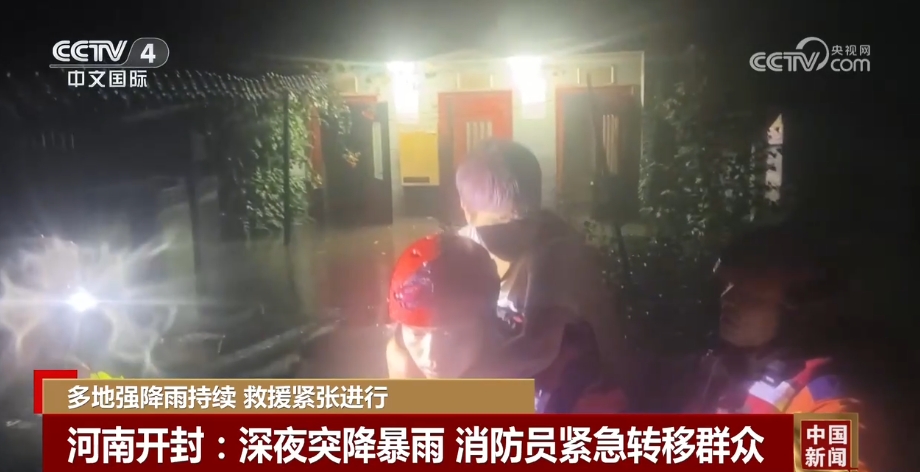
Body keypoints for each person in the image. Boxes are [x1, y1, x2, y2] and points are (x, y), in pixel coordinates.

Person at [683, 225, 873, 469]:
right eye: (728, 285)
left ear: (797, 312)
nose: (727, 298)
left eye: (749, 295)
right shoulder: (720, 369)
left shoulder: (825, 400)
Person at [385, 233, 625, 413]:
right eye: (417, 335)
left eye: (453, 337)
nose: (431, 357)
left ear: (486, 325)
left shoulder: (559, 379)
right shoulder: (402, 358)